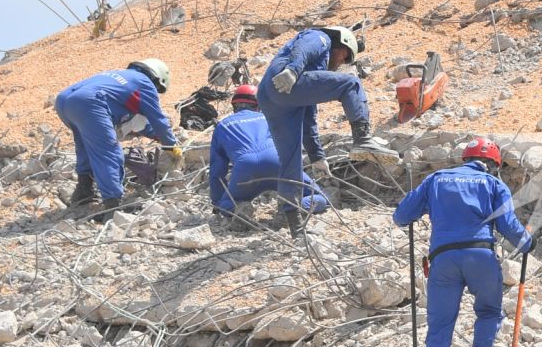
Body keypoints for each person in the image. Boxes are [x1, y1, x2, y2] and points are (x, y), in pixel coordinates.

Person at [392, 137, 532, 347]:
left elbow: (402, 217)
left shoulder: (436, 180)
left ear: (464, 158)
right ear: (493, 165)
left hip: (443, 261)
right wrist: (527, 242)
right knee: (490, 312)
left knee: (440, 327)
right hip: (481, 255)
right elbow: (508, 226)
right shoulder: (494, 185)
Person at [255, 25, 371, 234]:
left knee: (290, 160)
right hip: (286, 79)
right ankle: (363, 137)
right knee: (351, 83)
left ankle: (295, 225)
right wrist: (293, 70)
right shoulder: (321, 37)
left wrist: (318, 157)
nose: (341, 63)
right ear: (341, 43)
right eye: (345, 57)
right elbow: (305, 48)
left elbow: (308, 118)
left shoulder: (313, 71)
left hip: (269, 97)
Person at [54, 60, 182, 218]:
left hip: (64, 101)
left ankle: (83, 191)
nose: (156, 92)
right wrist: (170, 144)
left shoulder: (121, 76)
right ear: (156, 78)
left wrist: (156, 135)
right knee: (108, 152)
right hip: (90, 102)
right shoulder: (144, 82)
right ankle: (112, 207)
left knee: (87, 145)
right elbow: (157, 119)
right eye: (158, 89)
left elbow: (141, 123)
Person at [208, 84, 328, 229]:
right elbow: (291, 144)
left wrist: (218, 204)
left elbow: (216, 171)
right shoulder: (270, 117)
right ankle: (292, 207)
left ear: (235, 105)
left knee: (227, 203)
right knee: (321, 197)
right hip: (276, 163)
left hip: (245, 170)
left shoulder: (222, 126)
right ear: (259, 104)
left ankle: (238, 209)